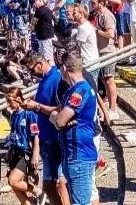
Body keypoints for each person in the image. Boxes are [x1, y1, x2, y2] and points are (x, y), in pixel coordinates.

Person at [22, 50, 69, 205]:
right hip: (46, 138)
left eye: (32, 69)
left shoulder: (56, 79)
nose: (31, 73)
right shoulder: (44, 80)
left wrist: (37, 106)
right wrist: (34, 105)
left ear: (40, 64)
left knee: (58, 184)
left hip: (55, 138)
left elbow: (60, 109)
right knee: (48, 186)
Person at [53, 53, 100, 205]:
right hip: (72, 155)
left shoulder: (80, 91)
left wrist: (57, 119)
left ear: (65, 68)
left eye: (60, 67)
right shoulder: (72, 90)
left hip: (79, 156)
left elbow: (60, 121)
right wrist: (56, 118)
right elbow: (56, 116)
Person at [4, 87, 41, 205]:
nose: (9, 105)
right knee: (14, 185)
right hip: (15, 151)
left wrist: (35, 155)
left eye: (10, 101)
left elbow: (36, 135)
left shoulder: (29, 114)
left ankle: (37, 191)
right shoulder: (13, 115)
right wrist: (9, 151)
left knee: (13, 181)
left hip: (25, 152)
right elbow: (13, 134)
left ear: (19, 99)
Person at [91, 0, 118, 120]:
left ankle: (113, 109)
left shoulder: (106, 15)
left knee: (109, 80)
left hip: (107, 51)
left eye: (94, 2)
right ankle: (109, 106)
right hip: (100, 51)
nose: (92, 5)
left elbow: (111, 34)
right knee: (104, 80)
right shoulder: (98, 15)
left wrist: (96, 31)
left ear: (101, 3)